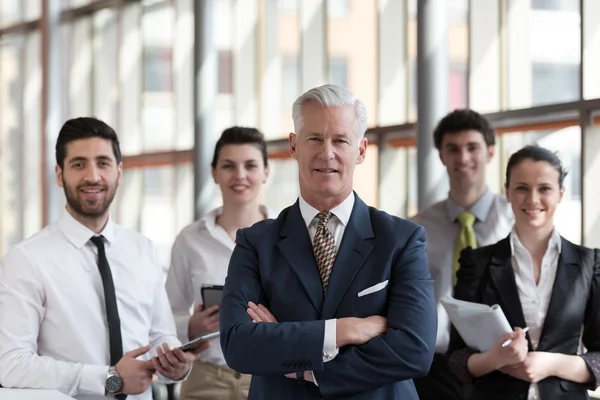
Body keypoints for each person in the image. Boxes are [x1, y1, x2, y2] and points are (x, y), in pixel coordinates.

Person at [218, 84, 437, 400]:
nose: (327, 153)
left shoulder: (401, 240)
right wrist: (345, 330)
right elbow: (238, 346)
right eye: (315, 139)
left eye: (340, 140)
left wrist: (304, 368)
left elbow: (414, 350)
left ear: (360, 150)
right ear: (294, 146)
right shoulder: (255, 243)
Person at [0, 117, 208, 400]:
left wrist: (177, 366)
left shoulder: (143, 250)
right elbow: (10, 365)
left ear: (119, 172)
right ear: (60, 175)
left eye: (103, 163)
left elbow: (161, 334)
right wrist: (110, 379)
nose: (93, 176)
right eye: (78, 164)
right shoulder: (26, 259)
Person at [447, 145, 600, 400]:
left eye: (544, 188)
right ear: (507, 192)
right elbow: (456, 359)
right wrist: (495, 359)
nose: (532, 199)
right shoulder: (476, 263)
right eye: (521, 187)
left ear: (561, 193)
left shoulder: (589, 263)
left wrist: (549, 364)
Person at [166, 126, 277, 400]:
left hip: (272, 377)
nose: (240, 175)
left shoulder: (287, 236)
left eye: (250, 165)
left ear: (266, 171)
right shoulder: (190, 239)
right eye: (229, 166)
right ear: (214, 172)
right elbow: (165, 317)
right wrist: (191, 326)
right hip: (205, 381)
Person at [410, 109, 514, 399]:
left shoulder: (514, 221)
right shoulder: (417, 228)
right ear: (441, 156)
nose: (463, 158)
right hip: (435, 365)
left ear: (490, 152)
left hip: (499, 361)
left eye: (472, 147)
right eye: (452, 149)